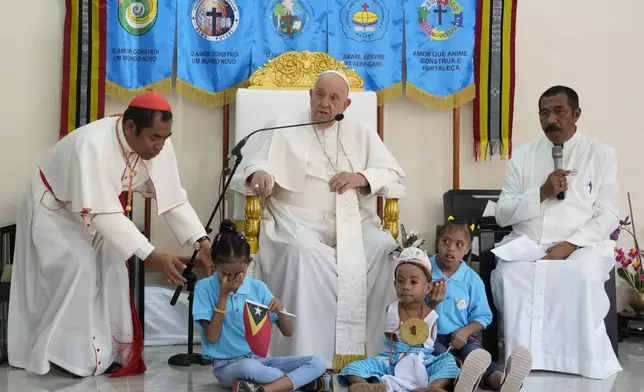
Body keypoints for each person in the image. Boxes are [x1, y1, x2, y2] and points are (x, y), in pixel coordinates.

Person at [8, 92, 214, 378]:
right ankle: (62, 354)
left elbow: (173, 198)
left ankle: (107, 351)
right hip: (54, 208)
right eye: (154, 138)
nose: (160, 146)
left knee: (114, 266)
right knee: (79, 267)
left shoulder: (159, 146)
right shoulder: (91, 145)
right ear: (130, 127)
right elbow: (104, 214)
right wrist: (153, 254)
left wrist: (200, 240)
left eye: (165, 138)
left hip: (98, 213)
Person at [241, 70, 405, 369]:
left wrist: (360, 177)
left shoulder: (360, 133)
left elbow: (391, 170)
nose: (324, 103)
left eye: (333, 98)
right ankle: (307, 356)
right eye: (320, 95)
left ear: (346, 105)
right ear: (310, 95)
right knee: (301, 251)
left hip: (352, 220)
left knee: (383, 246)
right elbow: (255, 161)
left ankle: (374, 353)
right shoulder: (282, 125)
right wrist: (261, 173)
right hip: (294, 218)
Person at [492, 85, 622, 379]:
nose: (551, 120)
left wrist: (570, 245)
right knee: (509, 276)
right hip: (529, 244)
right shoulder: (523, 156)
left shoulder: (601, 155)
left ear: (576, 114)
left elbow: (608, 214)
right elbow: (502, 214)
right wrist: (542, 192)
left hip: (582, 246)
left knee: (582, 275)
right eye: (544, 113)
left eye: (559, 112)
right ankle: (520, 361)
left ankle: (578, 362)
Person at [337, 236, 490, 392]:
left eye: (414, 282)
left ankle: (432, 388)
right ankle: (368, 386)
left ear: (428, 288)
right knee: (353, 367)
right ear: (394, 284)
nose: (406, 287)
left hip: (422, 360)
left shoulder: (431, 313)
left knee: (448, 363)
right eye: (401, 281)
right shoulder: (391, 309)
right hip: (390, 360)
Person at [193, 220, 328, 392]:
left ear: (248, 262)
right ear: (214, 263)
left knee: (318, 362)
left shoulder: (258, 288)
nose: (233, 278)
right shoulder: (204, 288)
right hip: (226, 366)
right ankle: (304, 381)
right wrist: (224, 295)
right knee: (248, 368)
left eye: (238, 273)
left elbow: (288, 332)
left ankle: (264, 389)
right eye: (225, 273)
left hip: (260, 360)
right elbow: (211, 337)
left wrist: (280, 312)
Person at [430, 219, 533, 392]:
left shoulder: (472, 280)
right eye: (446, 241)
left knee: (476, 355)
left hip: (461, 336)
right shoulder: (425, 270)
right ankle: (461, 378)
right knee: (441, 360)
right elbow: (412, 308)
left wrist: (464, 332)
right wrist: (432, 304)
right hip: (431, 338)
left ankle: (502, 381)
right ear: (437, 242)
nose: (451, 248)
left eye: (459, 244)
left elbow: (483, 316)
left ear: (468, 249)